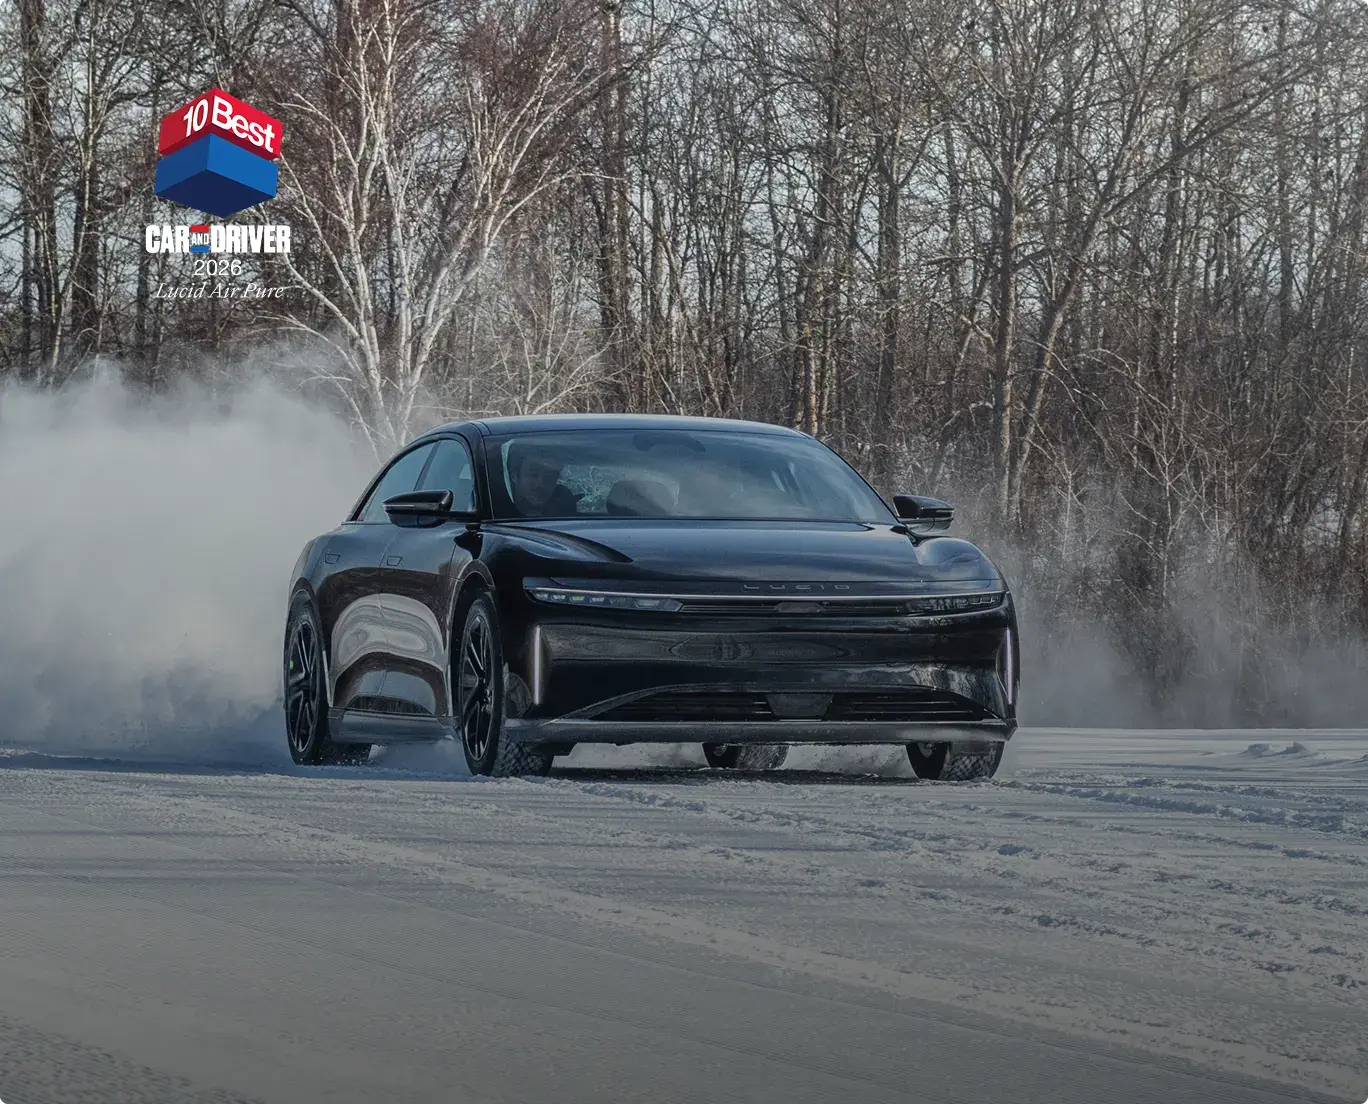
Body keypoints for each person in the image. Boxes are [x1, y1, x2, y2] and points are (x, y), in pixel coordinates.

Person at [507, 442, 579, 517]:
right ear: (514, 476)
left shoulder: (566, 518)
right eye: (533, 474)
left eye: (549, 476)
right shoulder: (495, 509)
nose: (540, 483)